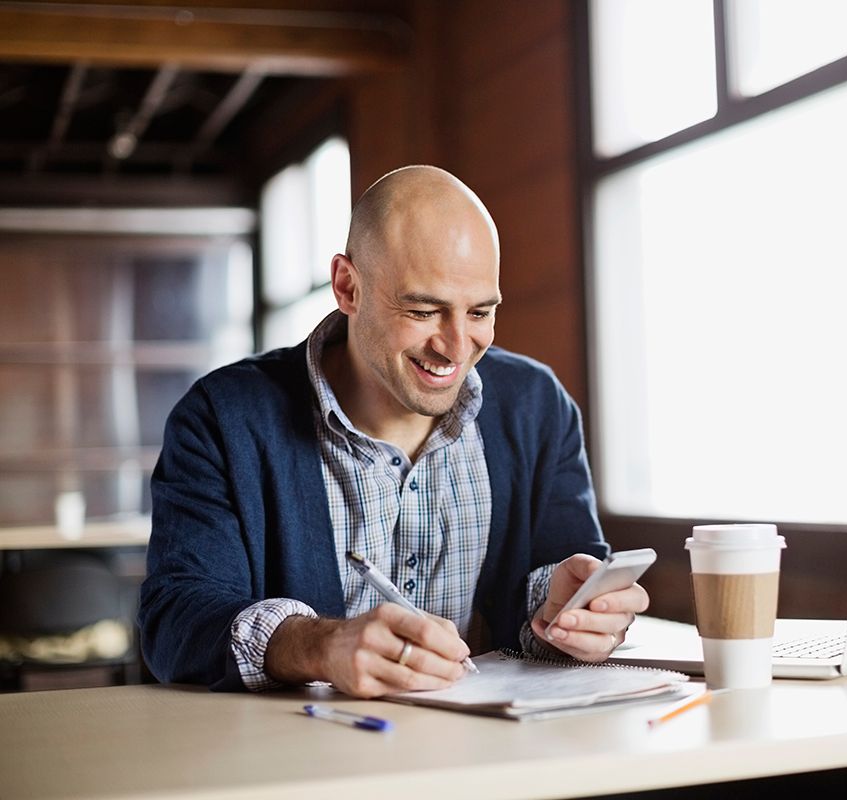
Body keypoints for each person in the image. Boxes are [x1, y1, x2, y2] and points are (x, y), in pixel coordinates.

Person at [139, 165, 648, 696]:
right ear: (348, 286)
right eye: (423, 310)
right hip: (304, 765)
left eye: (480, 311)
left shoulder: (538, 407)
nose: (455, 347)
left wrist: (575, 616)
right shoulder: (222, 418)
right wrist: (320, 645)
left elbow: (565, 584)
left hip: (505, 759)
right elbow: (174, 619)